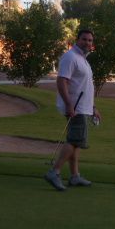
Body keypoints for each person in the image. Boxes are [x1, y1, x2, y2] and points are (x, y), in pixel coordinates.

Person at [44, 29, 101, 191]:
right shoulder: (70, 57)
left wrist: (93, 107)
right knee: (75, 140)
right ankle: (54, 172)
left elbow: (85, 86)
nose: (87, 43)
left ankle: (75, 176)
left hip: (83, 107)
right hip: (75, 107)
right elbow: (62, 82)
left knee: (75, 142)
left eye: (90, 40)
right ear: (77, 40)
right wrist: (69, 105)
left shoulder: (83, 59)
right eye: (84, 39)